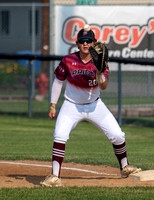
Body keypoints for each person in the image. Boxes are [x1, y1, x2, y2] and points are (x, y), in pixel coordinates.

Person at [40, 25, 141, 187]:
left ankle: (125, 167)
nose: (85, 44)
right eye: (82, 41)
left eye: (89, 41)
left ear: (94, 43)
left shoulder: (100, 62)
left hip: (95, 106)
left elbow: (104, 87)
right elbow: (58, 81)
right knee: (59, 135)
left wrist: (100, 73)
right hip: (71, 105)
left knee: (118, 135)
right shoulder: (68, 60)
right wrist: (53, 105)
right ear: (77, 43)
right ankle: (54, 176)